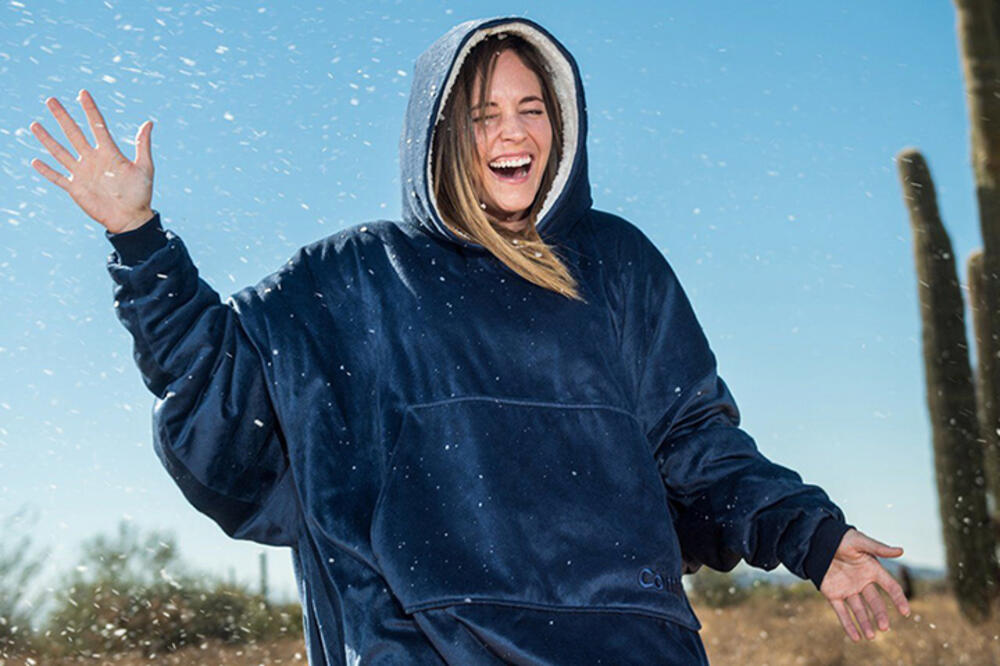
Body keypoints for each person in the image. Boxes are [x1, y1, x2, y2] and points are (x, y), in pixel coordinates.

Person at [29, 15, 911, 665]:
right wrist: (139, 239)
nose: (513, 133)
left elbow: (695, 444)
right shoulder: (357, 278)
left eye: (531, 108)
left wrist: (811, 535)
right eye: (484, 114)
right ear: (444, 131)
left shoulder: (615, 264)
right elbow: (223, 390)